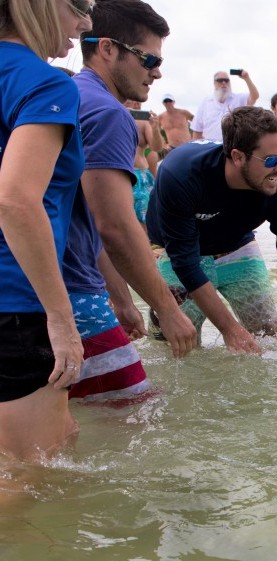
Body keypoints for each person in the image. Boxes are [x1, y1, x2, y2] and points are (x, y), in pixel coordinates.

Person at [66, 0, 197, 402]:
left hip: (44, 288)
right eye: (149, 58)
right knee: (137, 416)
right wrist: (169, 311)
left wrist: (121, 299)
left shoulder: (69, 93)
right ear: (107, 49)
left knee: (49, 430)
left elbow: (84, 218)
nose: (157, 71)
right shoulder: (108, 113)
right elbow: (115, 226)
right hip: (72, 295)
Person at [146, 107, 277, 353]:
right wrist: (229, 329)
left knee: (268, 339)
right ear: (238, 156)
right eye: (272, 160)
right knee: (179, 348)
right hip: (175, 253)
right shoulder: (180, 173)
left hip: (237, 247)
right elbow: (186, 263)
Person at [0, 0, 91, 461]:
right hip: (15, 303)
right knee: (34, 475)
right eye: (80, 5)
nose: (86, 22)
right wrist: (60, 317)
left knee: (63, 439)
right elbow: (15, 199)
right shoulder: (45, 81)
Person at [191, 69, 259, 143]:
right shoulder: (206, 102)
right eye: (220, 80)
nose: (224, 83)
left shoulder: (238, 99)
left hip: (233, 147)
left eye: (226, 80)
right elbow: (197, 130)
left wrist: (247, 78)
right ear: (214, 83)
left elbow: (255, 96)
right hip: (210, 148)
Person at [124, 100, 163, 225]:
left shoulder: (143, 122)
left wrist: (155, 128)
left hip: (140, 176)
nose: (135, 104)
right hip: (120, 173)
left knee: (144, 221)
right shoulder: (110, 117)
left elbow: (156, 148)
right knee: (121, 220)